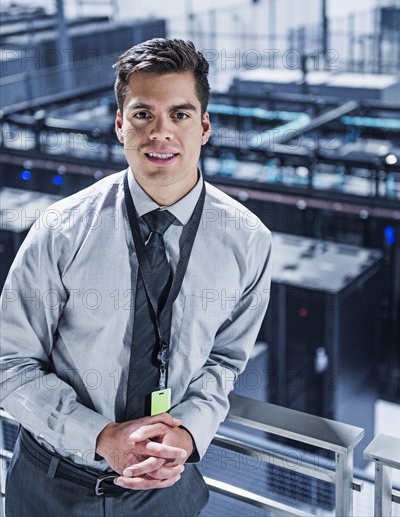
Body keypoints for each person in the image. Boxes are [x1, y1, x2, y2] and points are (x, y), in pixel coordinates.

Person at [0, 38, 272, 516]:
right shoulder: (62, 231)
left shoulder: (247, 241)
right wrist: (100, 437)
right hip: (52, 487)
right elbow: (9, 364)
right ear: (120, 125)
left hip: (170, 491)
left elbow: (225, 362)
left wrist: (187, 432)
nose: (160, 132)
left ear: (204, 126)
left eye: (180, 115)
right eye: (143, 114)